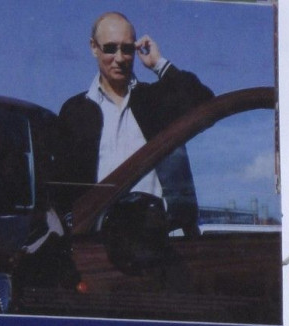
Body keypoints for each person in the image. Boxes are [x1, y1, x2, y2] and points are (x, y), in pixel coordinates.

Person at [56, 11, 214, 235]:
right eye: (110, 48)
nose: (119, 58)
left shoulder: (156, 100)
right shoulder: (75, 112)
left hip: (161, 240)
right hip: (97, 247)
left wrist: (158, 64)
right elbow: (62, 188)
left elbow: (206, 102)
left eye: (127, 48)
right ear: (94, 47)